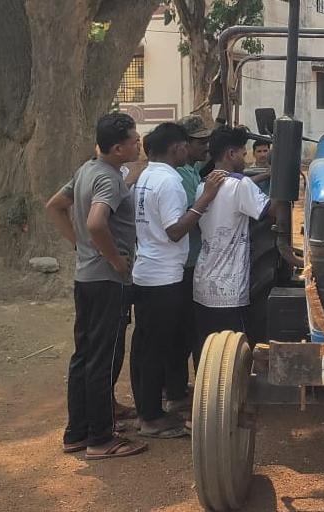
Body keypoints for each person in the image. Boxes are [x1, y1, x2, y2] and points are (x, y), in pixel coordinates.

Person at [44, 113, 147, 460]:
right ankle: (101, 439)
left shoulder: (87, 170)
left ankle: (77, 432)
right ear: (118, 149)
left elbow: (55, 207)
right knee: (103, 358)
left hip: (85, 278)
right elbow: (97, 222)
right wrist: (117, 261)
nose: (138, 144)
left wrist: (80, 246)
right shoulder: (108, 180)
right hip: (107, 282)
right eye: (134, 140)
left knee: (84, 355)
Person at [131, 122, 225, 439]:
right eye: (187, 145)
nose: (192, 150)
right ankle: (151, 418)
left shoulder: (146, 175)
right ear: (176, 148)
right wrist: (206, 198)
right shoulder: (169, 181)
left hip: (146, 271)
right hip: (164, 276)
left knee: (149, 346)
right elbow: (174, 231)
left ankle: (153, 408)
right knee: (158, 348)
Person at [193, 127, 271, 343]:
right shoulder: (240, 185)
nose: (245, 159)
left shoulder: (204, 186)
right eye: (243, 154)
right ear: (230, 154)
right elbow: (273, 211)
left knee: (206, 350)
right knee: (232, 355)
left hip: (203, 284)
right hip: (230, 290)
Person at [161, 114, 212, 412]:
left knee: (189, 327)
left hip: (191, 262)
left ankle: (178, 387)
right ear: (182, 145)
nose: (205, 146)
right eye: (200, 142)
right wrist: (206, 202)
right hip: (181, 264)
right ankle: (175, 392)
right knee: (180, 331)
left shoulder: (191, 169)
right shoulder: (175, 178)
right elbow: (179, 225)